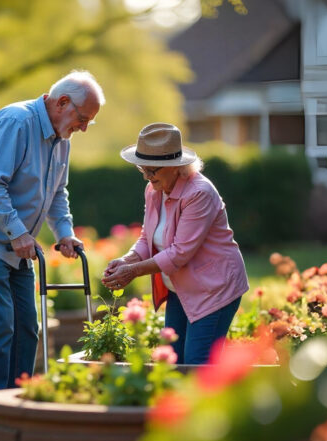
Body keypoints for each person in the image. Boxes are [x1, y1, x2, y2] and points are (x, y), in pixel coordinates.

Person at [0, 70, 103, 436]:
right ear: (63, 103)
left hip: (17, 244)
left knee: (27, 328)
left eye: (88, 123)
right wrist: (18, 232)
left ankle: (15, 406)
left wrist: (64, 233)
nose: (83, 128)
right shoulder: (15, 121)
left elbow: (57, 192)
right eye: (83, 119)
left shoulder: (61, 139)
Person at [101, 123, 248, 365]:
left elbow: (179, 253)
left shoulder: (199, 193)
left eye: (152, 169)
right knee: (174, 361)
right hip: (180, 288)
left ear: (175, 167)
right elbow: (148, 237)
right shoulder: (154, 189)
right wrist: (127, 260)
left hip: (214, 288)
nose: (147, 175)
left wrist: (133, 272)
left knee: (196, 364)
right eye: (142, 168)